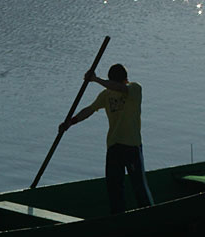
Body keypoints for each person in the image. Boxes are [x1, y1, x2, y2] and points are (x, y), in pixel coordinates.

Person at [59, 63, 153, 214]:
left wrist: (95, 79)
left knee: (139, 185)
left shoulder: (135, 89)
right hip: (114, 146)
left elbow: (121, 89)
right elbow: (89, 110)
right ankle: (118, 217)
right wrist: (71, 122)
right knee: (114, 187)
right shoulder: (106, 95)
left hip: (131, 146)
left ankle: (149, 214)